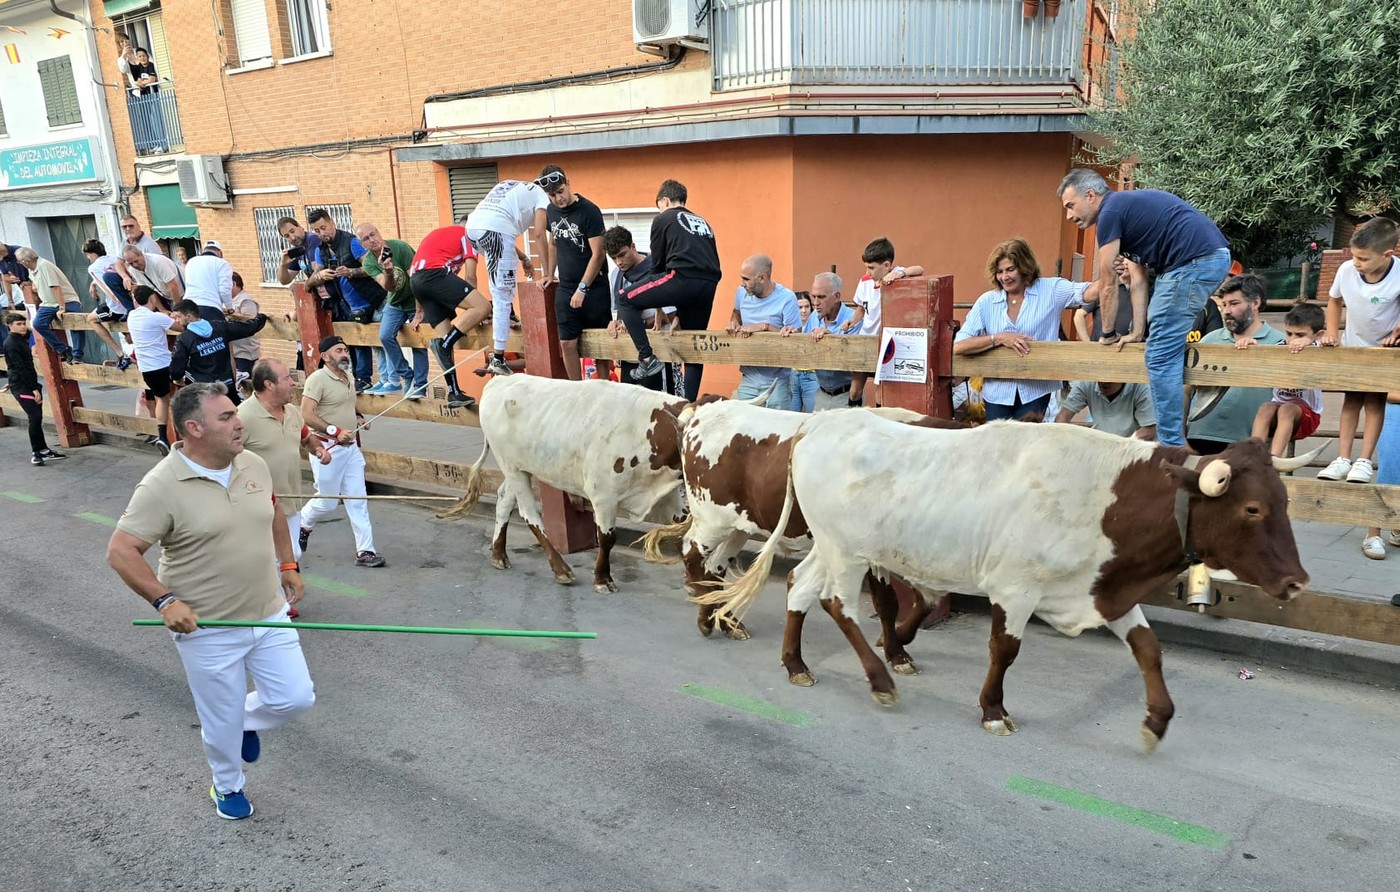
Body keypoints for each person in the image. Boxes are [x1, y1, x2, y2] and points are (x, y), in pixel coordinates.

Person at [107, 382, 314, 820]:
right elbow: (121, 551)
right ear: (193, 428)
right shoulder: (161, 485)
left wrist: (288, 565)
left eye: (235, 414)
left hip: (269, 612)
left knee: (294, 698)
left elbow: (273, 510)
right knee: (218, 719)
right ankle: (227, 785)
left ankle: (243, 722)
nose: (239, 423)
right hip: (207, 626)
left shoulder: (252, 462)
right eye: (226, 418)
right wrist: (164, 602)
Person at [1059, 169, 1232, 447]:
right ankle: (1174, 436)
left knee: (1161, 355)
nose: (1068, 215)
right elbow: (1137, 279)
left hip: (1193, 261)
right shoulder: (1125, 211)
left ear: (1090, 196)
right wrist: (1137, 331)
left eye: (1070, 206)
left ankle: (1170, 445)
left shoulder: (1110, 213)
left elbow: (1107, 282)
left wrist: (1107, 334)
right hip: (1202, 259)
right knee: (1160, 345)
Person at [953, 238, 1089, 420]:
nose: (1004, 277)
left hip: (1035, 390)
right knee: (998, 445)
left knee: (1027, 443)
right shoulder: (986, 301)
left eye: (1010, 269)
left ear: (1025, 267)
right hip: (997, 392)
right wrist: (998, 338)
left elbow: (1088, 292)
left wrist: (1115, 275)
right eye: (1000, 271)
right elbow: (959, 346)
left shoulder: (1051, 290)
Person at [238, 359, 332, 616]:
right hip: (259, 504)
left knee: (292, 553)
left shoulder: (291, 411)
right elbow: (225, 457)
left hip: (291, 501)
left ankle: (274, 598)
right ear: (268, 384)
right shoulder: (243, 417)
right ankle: (273, 604)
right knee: (272, 556)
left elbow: (305, 436)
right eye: (286, 378)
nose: (293, 382)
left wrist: (318, 449)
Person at [615, 179, 722, 398]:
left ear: (664, 200)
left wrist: (657, 304)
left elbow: (657, 268)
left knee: (625, 299)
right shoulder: (703, 222)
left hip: (681, 277)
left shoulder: (663, 218)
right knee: (693, 346)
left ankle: (647, 359)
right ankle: (689, 403)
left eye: (659, 206)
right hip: (709, 284)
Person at [1316, 217, 1400, 484]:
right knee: (1351, 400)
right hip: (1354, 344)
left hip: (1384, 350)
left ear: (1387, 254)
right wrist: (1332, 332)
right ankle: (1342, 458)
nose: (1356, 263)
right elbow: (1334, 299)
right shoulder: (1345, 270)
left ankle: (1363, 460)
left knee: (1375, 402)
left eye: (1363, 258)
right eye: (1354, 256)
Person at [298, 336, 386, 569]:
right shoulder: (317, 379)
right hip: (327, 447)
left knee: (358, 500)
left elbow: (346, 402)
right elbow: (305, 414)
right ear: (326, 357)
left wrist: (357, 416)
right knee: (327, 502)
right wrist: (334, 430)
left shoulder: (348, 376)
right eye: (339, 350)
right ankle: (303, 525)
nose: (345, 353)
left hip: (350, 449)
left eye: (346, 349)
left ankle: (365, 551)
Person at [1183, 274, 1285, 455]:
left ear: (1256, 303)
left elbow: (1293, 398)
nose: (1227, 310)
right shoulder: (1210, 341)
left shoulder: (1280, 343)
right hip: (1200, 436)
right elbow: (1185, 390)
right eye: (1224, 305)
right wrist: (1179, 435)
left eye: (1234, 304)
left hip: (1250, 442)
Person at [461, 178, 552, 378]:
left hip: (472, 230)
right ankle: (499, 358)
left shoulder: (510, 184)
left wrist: (523, 258)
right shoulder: (541, 195)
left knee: (499, 279)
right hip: (496, 232)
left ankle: (503, 316)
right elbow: (538, 234)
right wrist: (547, 272)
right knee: (503, 293)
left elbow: (501, 239)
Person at [538, 165, 613, 380]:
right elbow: (553, 243)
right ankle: (576, 389)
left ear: (568, 184)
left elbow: (598, 254)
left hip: (593, 288)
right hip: (566, 286)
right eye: (552, 195)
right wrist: (549, 273)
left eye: (560, 191)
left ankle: (603, 387)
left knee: (600, 345)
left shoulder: (589, 211)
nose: (558, 198)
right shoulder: (551, 211)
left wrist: (583, 288)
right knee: (566, 343)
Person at [407, 223, 492, 408]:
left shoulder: (439, 235)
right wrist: (477, 311)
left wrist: (419, 311)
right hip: (434, 274)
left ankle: (453, 393)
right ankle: (445, 345)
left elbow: (416, 272)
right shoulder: (468, 234)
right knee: (483, 306)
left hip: (416, 283)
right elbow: (470, 277)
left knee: (444, 333)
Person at [843, 238, 925, 406]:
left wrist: (900, 274)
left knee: (881, 392)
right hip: (866, 339)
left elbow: (919, 269)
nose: (868, 271)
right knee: (855, 389)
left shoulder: (897, 274)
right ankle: (854, 421)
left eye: (872, 267)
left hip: (885, 343)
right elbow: (860, 308)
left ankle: (879, 423)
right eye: (866, 266)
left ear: (887, 265)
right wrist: (851, 321)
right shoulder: (864, 281)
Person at [307, 209, 383, 389]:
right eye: (316, 231)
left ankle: (369, 379)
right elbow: (313, 277)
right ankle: (356, 378)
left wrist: (351, 272)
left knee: (376, 342)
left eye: (323, 228)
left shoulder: (351, 242)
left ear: (332, 222)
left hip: (369, 300)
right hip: (344, 304)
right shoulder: (320, 250)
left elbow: (371, 267)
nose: (321, 233)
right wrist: (321, 275)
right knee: (353, 343)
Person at [356, 223, 427, 398]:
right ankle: (406, 374)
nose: (372, 240)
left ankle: (420, 385)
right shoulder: (370, 262)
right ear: (362, 244)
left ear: (379, 232)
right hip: (396, 302)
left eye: (373, 234)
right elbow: (390, 287)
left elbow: (417, 279)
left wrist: (419, 311)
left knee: (418, 338)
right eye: (366, 239)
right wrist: (387, 271)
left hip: (416, 299)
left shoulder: (400, 247)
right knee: (385, 335)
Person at [1251, 303, 1325, 458]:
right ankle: (1255, 455)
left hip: (1308, 416)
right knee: (1266, 406)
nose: (1292, 340)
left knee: (1288, 408)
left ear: (1318, 335)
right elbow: (1262, 357)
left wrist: (1308, 343)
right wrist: (1250, 345)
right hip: (1276, 412)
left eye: (1300, 335)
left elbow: (1331, 348)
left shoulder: (1320, 348)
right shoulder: (1280, 347)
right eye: (1289, 333)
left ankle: (1274, 459)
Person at [726, 253, 800, 408]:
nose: (742, 283)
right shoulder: (741, 293)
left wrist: (764, 327)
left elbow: (796, 339)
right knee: (744, 427)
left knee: (778, 429)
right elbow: (736, 313)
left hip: (779, 380)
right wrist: (733, 322)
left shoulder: (786, 298)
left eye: (746, 279)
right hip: (749, 377)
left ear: (762, 278)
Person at [169, 298, 267, 397]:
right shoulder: (219, 326)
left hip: (203, 391)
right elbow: (248, 328)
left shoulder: (184, 339)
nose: (177, 321)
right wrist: (261, 317)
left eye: (178, 317)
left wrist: (176, 378)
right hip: (226, 386)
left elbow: (177, 366)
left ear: (189, 317)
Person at [3, 313, 66, 465]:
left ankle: (43, 450)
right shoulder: (11, 343)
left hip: (27, 383)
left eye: (24, 323)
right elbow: (18, 367)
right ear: (10, 326)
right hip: (23, 386)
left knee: (37, 417)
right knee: (35, 417)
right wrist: (32, 388)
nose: (23, 326)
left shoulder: (21, 339)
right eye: (18, 324)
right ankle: (36, 453)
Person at [792, 271, 859, 411]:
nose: (815, 303)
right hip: (821, 393)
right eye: (814, 297)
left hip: (846, 395)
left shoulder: (853, 319)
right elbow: (805, 351)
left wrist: (832, 340)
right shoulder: (814, 318)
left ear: (837, 297)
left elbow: (855, 359)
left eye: (821, 297)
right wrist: (792, 334)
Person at [128, 285, 180, 454]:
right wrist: (172, 316)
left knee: (162, 399)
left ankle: (162, 436)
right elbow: (181, 328)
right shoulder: (156, 317)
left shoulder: (132, 316)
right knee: (182, 394)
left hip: (146, 368)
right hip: (164, 364)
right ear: (152, 299)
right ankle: (185, 434)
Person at [16, 247, 85, 363]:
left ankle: (77, 354)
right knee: (38, 323)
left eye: (20, 261)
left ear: (25, 261)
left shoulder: (44, 266)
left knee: (76, 323)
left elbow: (56, 287)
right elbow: (35, 284)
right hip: (48, 303)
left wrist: (62, 307)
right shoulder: (32, 269)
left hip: (66, 300)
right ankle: (63, 349)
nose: (20, 264)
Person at [1055, 381, 1157, 439]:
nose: (1102, 386)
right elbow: (1062, 417)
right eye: (1100, 383)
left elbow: (1150, 429)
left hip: (1135, 453)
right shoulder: (1087, 383)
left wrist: (1122, 447)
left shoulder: (1142, 386)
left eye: (1107, 384)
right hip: (1102, 449)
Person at [184, 240, 234, 322]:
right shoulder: (222, 263)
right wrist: (229, 308)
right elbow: (224, 290)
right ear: (219, 252)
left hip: (188, 307)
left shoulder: (191, 261)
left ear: (204, 250)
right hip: (209, 307)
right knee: (215, 333)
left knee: (192, 334)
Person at [228, 272, 261, 378]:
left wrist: (230, 313)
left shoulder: (245, 300)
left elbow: (250, 322)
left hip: (245, 353)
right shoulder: (228, 301)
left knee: (245, 384)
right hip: (233, 352)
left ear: (234, 284)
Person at [790, 293, 818, 412]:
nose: (803, 310)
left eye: (807, 307)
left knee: (813, 415)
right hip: (793, 374)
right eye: (800, 307)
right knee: (791, 416)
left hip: (811, 375)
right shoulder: (789, 325)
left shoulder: (816, 322)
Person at [0, 242, 35, 309]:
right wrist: (10, 301)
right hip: (25, 289)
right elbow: (5, 277)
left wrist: (30, 281)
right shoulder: (1, 259)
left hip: (34, 286)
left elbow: (34, 267)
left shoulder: (18, 251)